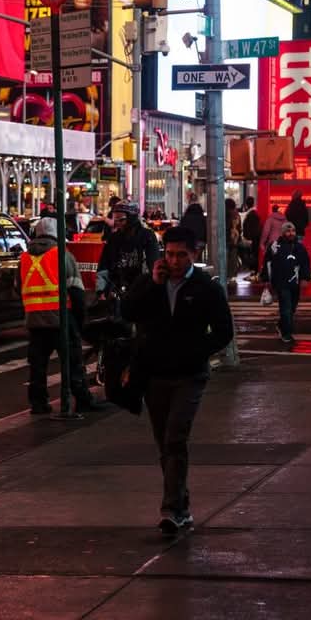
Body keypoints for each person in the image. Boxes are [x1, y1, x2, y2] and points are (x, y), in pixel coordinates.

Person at [121, 226, 234, 535]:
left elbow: (224, 331)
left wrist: (196, 351)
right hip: (155, 375)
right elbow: (127, 311)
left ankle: (171, 508)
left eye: (181, 255)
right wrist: (152, 285)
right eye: (169, 254)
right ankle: (180, 505)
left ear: (194, 254)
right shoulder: (150, 283)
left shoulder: (205, 288)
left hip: (189, 375)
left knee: (175, 438)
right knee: (164, 444)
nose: (173, 261)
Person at [19, 216, 95, 414]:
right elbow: (76, 291)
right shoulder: (62, 254)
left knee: (37, 365)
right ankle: (82, 400)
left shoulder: (25, 258)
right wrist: (80, 319)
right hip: (62, 318)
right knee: (72, 362)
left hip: (35, 319)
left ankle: (38, 403)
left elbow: (18, 287)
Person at [96, 201, 160, 302]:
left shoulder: (147, 236)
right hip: (118, 291)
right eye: (115, 220)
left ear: (131, 218)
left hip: (142, 291)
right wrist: (101, 290)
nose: (118, 224)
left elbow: (154, 264)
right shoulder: (113, 238)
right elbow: (104, 265)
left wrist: (152, 288)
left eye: (121, 220)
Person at [264, 222, 311, 344]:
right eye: (288, 231)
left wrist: (305, 278)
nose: (291, 234)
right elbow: (267, 262)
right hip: (281, 282)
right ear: (283, 232)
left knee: (292, 308)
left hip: (295, 283)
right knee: (286, 308)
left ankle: (281, 325)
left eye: (293, 231)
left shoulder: (299, 247)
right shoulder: (275, 246)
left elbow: (305, 263)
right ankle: (287, 333)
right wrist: (266, 279)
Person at [241, 197, 261, 279]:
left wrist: (249, 238)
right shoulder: (253, 213)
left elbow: (250, 228)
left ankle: (254, 273)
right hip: (254, 239)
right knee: (253, 255)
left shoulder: (251, 214)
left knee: (252, 256)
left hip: (252, 239)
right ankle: (253, 272)